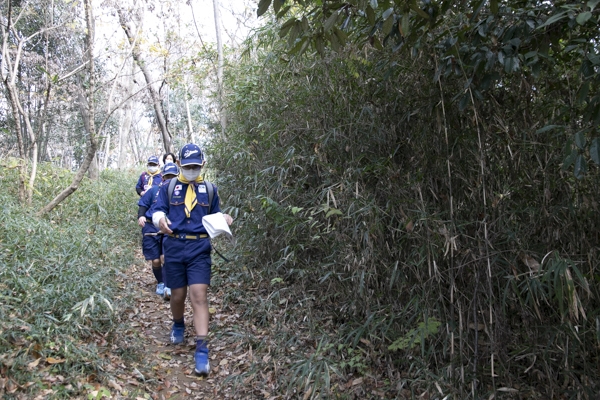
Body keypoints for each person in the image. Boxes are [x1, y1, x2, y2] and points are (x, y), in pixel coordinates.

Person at [152, 143, 233, 376]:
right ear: (179, 164)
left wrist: (223, 218)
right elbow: (157, 211)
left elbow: (214, 216)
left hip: (199, 247)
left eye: (195, 166)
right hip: (174, 246)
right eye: (187, 166)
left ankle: (201, 348)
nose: (191, 170)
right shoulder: (168, 187)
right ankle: (178, 323)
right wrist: (160, 221)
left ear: (202, 165)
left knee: (199, 295)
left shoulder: (210, 189)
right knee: (177, 295)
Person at [137, 163, 179, 298]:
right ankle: (160, 282)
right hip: (151, 226)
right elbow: (143, 204)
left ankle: (168, 285)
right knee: (155, 260)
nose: (170, 179)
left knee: (165, 257)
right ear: (162, 177)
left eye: (173, 177)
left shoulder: (179, 193)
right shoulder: (154, 190)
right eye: (167, 177)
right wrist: (141, 216)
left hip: (169, 228)